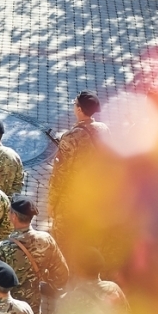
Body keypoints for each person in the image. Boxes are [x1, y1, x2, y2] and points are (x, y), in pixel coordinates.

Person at [0, 195, 69, 314]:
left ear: (13, 217)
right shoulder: (46, 240)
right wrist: (45, 285)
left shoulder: (2, 247)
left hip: (7, 312)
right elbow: (62, 275)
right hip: (33, 308)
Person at [47, 91, 110, 235]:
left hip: (71, 199)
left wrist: (52, 202)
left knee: (63, 239)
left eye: (74, 104)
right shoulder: (103, 129)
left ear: (79, 109)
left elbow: (60, 174)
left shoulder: (71, 137)